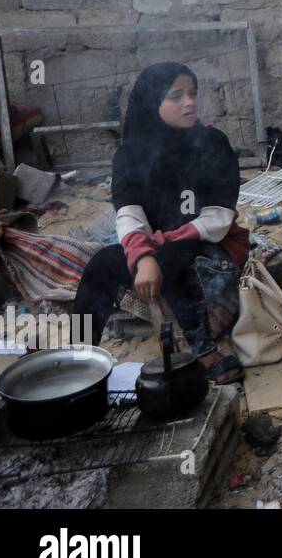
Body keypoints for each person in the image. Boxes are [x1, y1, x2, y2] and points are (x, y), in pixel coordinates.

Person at [75, 62, 250, 384]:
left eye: (192, 94)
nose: (190, 103)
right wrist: (141, 256)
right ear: (151, 103)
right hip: (156, 247)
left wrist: (157, 248)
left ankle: (203, 350)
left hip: (213, 247)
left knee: (171, 258)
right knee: (101, 264)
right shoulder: (130, 155)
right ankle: (78, 356)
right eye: (176, 96)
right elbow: (128, 212)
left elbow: (219, 217)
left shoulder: (213, 143)